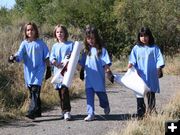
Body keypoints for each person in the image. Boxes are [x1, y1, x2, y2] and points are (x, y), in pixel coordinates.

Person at [8, 22, 50, 119]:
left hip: (39, 70)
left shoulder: (41, 43)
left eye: (32, 29)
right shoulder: (24, 43)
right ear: (25, 32)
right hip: (28, 71)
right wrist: (13, 57)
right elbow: (19, 54)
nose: (30, 31)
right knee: (32, 92)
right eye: (28, 30)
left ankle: (31, 112)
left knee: (35, 90)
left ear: (35, 31)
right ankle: (38, 110)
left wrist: (49, 69)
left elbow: (46, 56)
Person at [78, 24, 114, 121]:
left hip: (98, 78)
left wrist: (108, 73)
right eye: (89, 38)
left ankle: (105, 105)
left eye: (93, 38)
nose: (91, 40)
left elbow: (106, 64)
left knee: (102, 96)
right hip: (88, 78)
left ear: (97, 38)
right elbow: (80, 65)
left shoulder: (102, 50)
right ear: (86, 39)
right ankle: (91, 113)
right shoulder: (85, 51)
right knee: (89, 96)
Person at [128, 27, 165, 119]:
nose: (143, 38)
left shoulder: (154, 48)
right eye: (141, 36)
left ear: (149, 36)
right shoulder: (136, 48)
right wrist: (131, 64)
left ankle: (151, 111)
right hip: (140, 76)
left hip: (151, 75)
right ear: (139, 37)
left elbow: (159, 59)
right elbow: (132, 59)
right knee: (139, 94)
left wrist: (159, 68)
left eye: (145, 35)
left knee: (151, 94)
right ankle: (141, 114)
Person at [50, 24, 73, 121]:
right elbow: (52, 57)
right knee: (60, 92)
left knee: (64, 91)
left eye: (61, 32)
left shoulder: (70, 44)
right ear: (55, 34)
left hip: (66, 72)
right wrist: (54, 62)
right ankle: (63, 111)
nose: (59, 34)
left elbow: (74, 56)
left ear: (65, 33)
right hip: (57, 72)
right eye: (57, 32)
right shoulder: (55, 46)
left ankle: (67, 111)